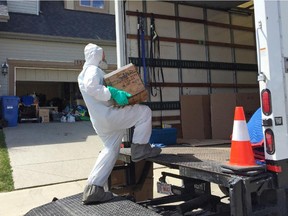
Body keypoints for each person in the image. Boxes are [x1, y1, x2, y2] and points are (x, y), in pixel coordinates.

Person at [78, 43, 161, 205]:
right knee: (144, 112)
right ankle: (140, 148)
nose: (104, 58)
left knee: (110, 150)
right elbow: (92, 87)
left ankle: (93, 188)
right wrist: (113, 92)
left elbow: (94, 90)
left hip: (101, 120)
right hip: (109, 116)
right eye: (102, 55)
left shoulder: (86, 72)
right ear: (96, 55)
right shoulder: (92, 70)